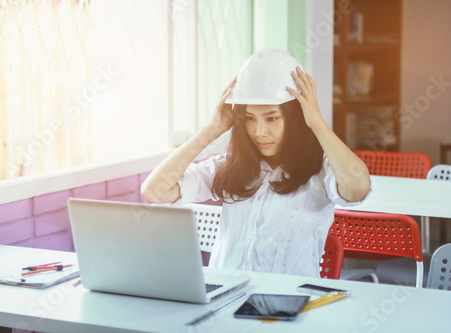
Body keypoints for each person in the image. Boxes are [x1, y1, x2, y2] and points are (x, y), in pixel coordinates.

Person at [141, 48, 371, 278]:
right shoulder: (231, 165)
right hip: (224, 298)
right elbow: (155, 192)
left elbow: (357, 188)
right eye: (250, 119)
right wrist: (212, 130)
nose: (260, 132)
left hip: (287, 303)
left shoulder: (319, 170)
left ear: (296, 117)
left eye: (271, 118)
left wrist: (317, 122)